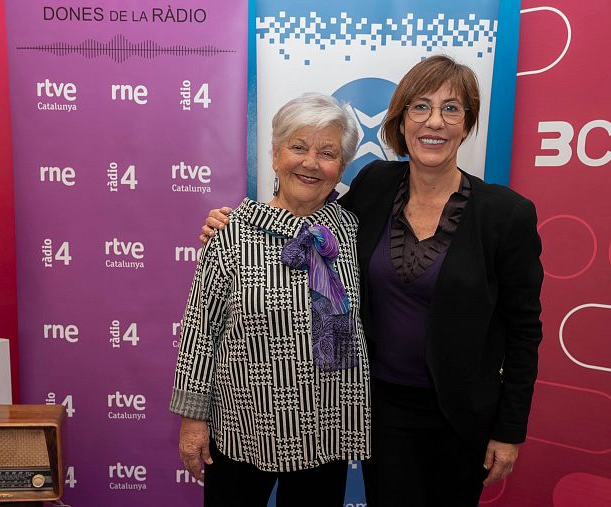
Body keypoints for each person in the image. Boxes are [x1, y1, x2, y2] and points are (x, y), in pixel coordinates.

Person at [200, 55, 544, 506]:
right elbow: (305, 209)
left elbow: (523, 331)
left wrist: (509, 428)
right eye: (420, 107)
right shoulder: (374, 184)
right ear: (401, 122)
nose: (434, 122)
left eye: (451, 109)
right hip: (381, 411)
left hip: (462, 416)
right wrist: (237, 224)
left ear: (467, 124)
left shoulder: (506, 215)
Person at [171, 93, 370, 506]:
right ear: (276, 154)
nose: (311, 162)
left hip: (325, 428)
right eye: (298, 147)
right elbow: (199, 332)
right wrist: (193, 420)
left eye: (327, 152)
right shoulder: (231, 233)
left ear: (342, 167)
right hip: (243, 426)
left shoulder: (350, 232)